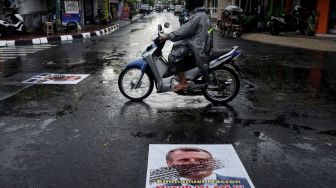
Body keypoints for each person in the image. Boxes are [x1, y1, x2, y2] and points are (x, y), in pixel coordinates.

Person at [159, 0, 213, 92]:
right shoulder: (202, 15)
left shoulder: (198, 16)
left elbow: (184, 31)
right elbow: (188, 29)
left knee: (173, 56)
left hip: (198, 47)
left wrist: (168, 36)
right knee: (177, 46)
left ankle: (183, 82)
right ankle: (181, 76)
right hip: (201, 45)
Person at [157, 147, 252, 187]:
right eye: (184, 160)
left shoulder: (245, 183)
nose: (194, 163)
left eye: (201, 160)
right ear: (170, 164)